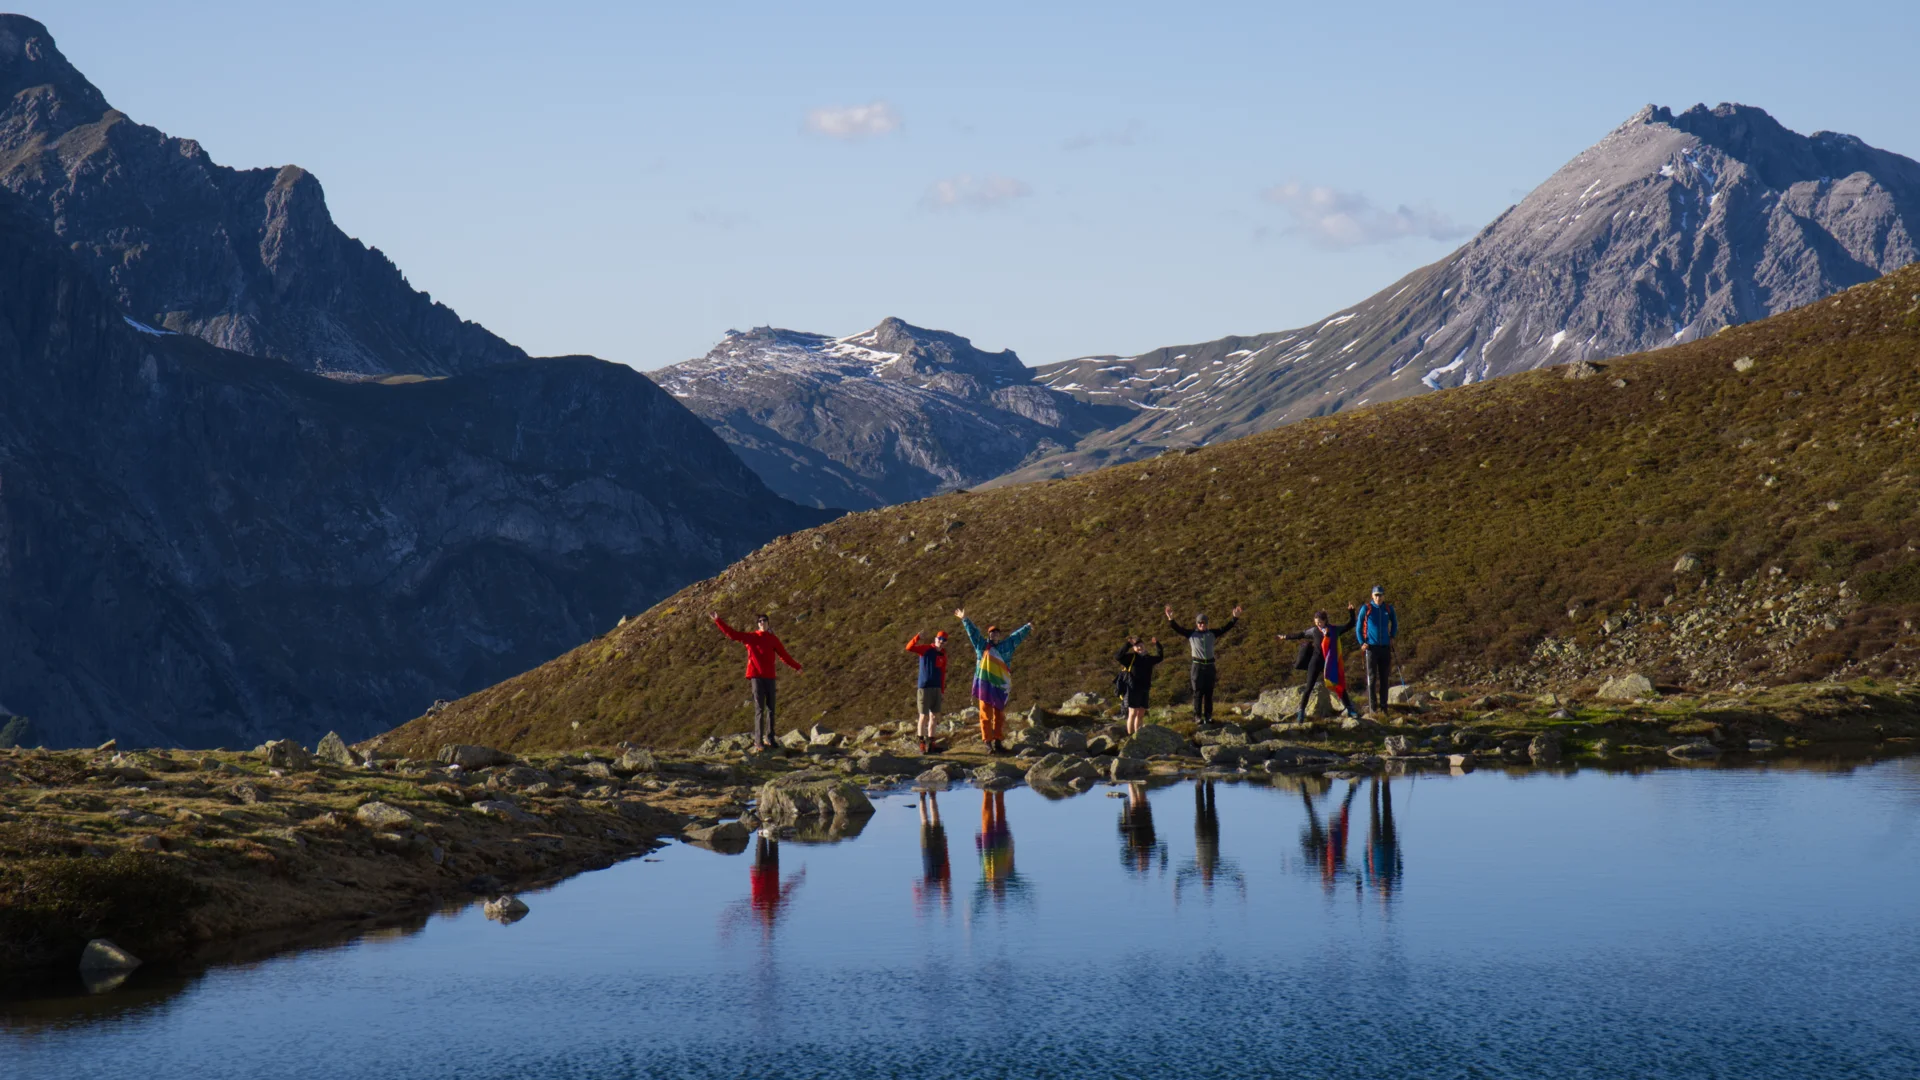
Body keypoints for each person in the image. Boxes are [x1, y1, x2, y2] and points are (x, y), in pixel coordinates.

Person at [711, 612, 802, 752]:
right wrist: (718, 620)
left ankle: (770, 738)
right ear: (757, 624)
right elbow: (732, 634)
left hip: (770, 677)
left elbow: (784, 655)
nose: (762, 622)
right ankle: (758, 741)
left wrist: (796, 667)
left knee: (771, 708)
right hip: (756, 677)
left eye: (765, 620)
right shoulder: (751, 637)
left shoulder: (773, 639)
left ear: (768, 623)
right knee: (760, 709)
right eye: (760, 621)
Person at [956, 609, 1032, 755]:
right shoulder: (982, 646)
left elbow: (1016, 637)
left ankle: (998, 741)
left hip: (1000, 685)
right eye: (992, 633)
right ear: (989, 635)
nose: (994, 634)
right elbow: (973, 633)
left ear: (999, 635)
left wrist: (1027, 627)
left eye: (997, 632)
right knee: (985, 715)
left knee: (999, 715)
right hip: (985, 685)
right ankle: (987, 742)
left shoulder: (1006, 646)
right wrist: (965, 619)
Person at [1164, 604, 1243, 725]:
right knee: (1197, 693)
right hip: (1197, 666)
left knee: (1209, 693)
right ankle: (1197, 717)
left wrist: (1235, 618)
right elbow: (1177, 628)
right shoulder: (1191, 634)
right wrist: (1170, 618)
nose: (1202, 625)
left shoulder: (1212, 633)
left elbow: (1226, 628)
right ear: (1196, 624)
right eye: (1199, 623)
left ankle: (1208, 716)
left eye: (1204, 623)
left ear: (1207, 623)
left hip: (1210, 666)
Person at [1278, 604, 1359, 722]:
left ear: (1325, 620)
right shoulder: (1314, 631)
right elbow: (1300, 634)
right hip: (1315, 662)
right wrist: (1285, 637)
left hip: (1329, 663)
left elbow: (1350, 624)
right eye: (1316, 622)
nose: (1318, 624)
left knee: (1339, 685)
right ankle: (1301, 712)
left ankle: (1350, 709)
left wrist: (1351, 612)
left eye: (1319, 622)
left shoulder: (1334, 630)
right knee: (1309, 687)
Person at [904, 630, 950, 753]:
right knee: (923, 716)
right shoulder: (926, 649)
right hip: (924, 687)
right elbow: (909, 648)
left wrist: (942, 690)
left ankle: (931, 743)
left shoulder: (943, 654)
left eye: (944, 640)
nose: (941, 641)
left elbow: (942, 673)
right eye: (940, 639)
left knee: (934, 716)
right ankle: (922, 743)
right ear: (935, 639)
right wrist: (917, 637)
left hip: (936, 688)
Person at [1355, 585, 1399, 715]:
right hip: (1371, 648)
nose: (1378, 597)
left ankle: (1384, 708)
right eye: (1376, 595)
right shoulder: (1366, 609)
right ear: (1372, 596)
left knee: (1384, 678)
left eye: (1380, 595)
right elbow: (1358, 628)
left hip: (1385, 648)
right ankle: (1373, 709)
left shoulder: (1388, 608)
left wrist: (1392, 636)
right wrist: (1362, 642)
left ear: (1384, 596)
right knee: (1372, 678)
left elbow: (1395, 623)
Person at [1115, 636, 1164, 734]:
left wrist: (1157, 644)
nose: (1140, 647)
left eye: (1141, 645)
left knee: (1141, 713)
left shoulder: (1148, 658)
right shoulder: (1131, 658)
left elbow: (1160, 657)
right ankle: (1130, 736)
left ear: (1144, 646)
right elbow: (1118, 656)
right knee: (1132, 713)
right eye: (1137, 646)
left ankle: (1138, 735)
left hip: (1145, 688)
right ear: (1134, 648)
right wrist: (1128, 644)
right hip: (1133, 688)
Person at [915, 790, 951, 914]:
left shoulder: (933, 884)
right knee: (935, 820)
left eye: (944, 894)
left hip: (927, 850)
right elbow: (947, 858)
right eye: (946, 893)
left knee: (925, 822)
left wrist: (919, 897)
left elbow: (918, 891)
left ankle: (922, 797)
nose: (945, 890)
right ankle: (931, 795)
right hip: (938, 848)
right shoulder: (945, 878)